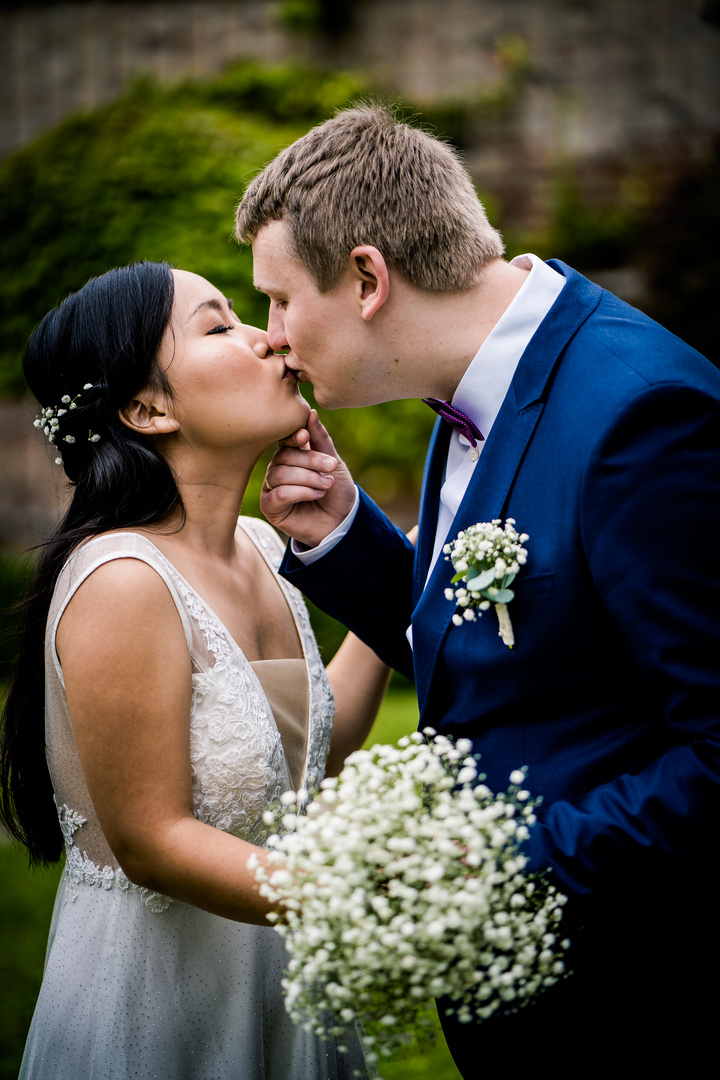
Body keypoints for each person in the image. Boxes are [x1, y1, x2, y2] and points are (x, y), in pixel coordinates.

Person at [235, 104, 720, 1073]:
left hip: (632, 998)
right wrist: (349, 536)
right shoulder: (473, 386)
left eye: (281, 301)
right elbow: (516, 645)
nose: (274, 337)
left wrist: (500, 865)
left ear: (368, 278)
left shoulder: (641, 417)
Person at [0, 261, 390, 1079]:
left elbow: (317, 744)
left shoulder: (265, 545)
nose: (269, 335)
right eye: (219, 326)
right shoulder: (123, 579)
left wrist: (408, 595)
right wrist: (364, 905)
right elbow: (153, 840)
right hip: (162, 996)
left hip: (284, 974)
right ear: (147, 409)